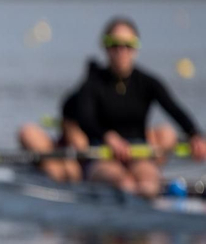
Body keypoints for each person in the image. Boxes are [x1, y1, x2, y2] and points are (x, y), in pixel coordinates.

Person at [73, 17, 206, 197]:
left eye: (128, 45)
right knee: (124, 184)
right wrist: (108, 136)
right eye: (114, 45)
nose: (121, 51)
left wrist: (195, 135)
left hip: (138, 152)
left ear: (136, 48)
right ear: (105, 48)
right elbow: (84, 118)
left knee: (148, 184)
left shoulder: (147, 82)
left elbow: (174, 110)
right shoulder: (92, 84)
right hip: (101, 154)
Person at [16, 89, 90, 185]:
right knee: (28, 132)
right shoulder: (78, 101)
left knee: (70, 169)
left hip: (82, 165)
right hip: (58, 156)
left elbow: (81, 145)